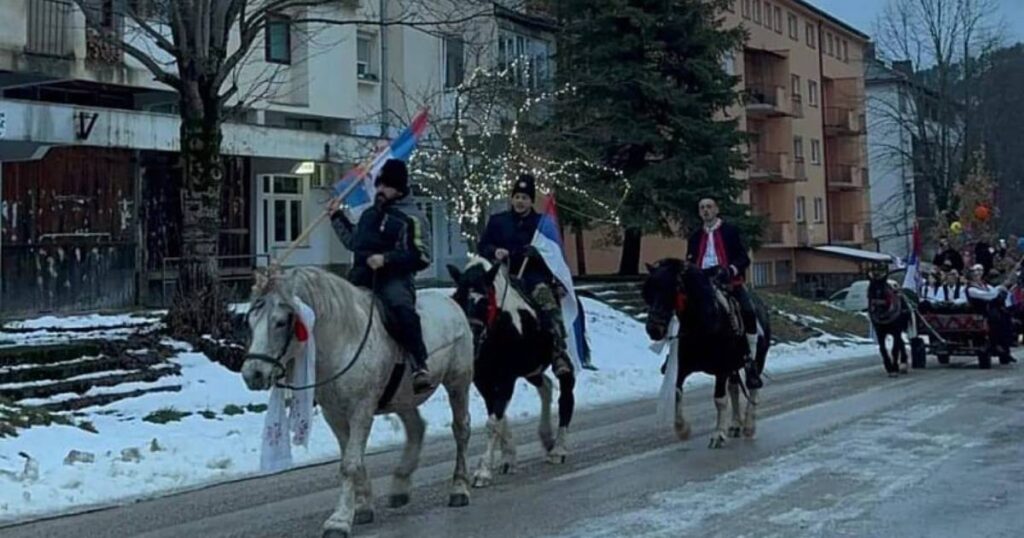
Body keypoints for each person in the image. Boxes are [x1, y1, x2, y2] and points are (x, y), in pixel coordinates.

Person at [329, 159, 434, 393]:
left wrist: (386, 259)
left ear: (399, 189)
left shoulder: (413, 219)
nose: (379, 191)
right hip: (359, 278)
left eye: (385, 186)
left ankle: (419, 364)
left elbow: (422, 257)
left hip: (394, 280)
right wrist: (336, 217)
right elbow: (353, 242)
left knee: (401, 309)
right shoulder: (368, 215)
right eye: (378, 185)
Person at [478, 174, 574, 379]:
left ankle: (559, 352)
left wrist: (538, 254)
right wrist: (495, 251)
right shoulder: (498, 221)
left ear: (531, 201)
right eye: (517, 197)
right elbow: (483, 246)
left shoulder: (542, 225)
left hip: (532, 275)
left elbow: (554, 255)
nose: (520, 201)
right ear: (512, 199)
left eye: (525, 198)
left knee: (547, 303)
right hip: (504, 275)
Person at [685, 197, 762, 389]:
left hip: (728, 282)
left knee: (748, 311)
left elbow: (743, 258)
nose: (706, 211)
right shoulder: (694, 236)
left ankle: (751, 360)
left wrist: (730, 270)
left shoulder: (730, 231)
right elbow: (690, 262)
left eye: (709, 207)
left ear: (716, 209)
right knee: (681, 312)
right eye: (702, 207)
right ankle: (676, 355)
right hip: (703, 284)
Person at [965, 264, 1016, 364]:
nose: (978, 275)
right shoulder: (970, 289)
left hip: (992, 311)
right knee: (996, 320)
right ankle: (995, 344)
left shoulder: (984, 285)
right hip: (981, 313)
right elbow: (988, 296)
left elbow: (993, 290)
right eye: (975, 273)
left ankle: (1005, 347)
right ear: (971, 277)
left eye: (979, 273)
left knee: (1006, 317)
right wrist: (999, 290)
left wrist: (1002, 287)